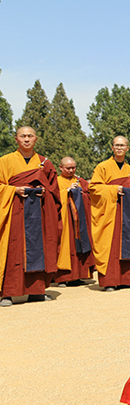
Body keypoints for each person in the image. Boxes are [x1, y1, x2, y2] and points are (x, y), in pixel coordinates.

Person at [0, 126, 61, 306]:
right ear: (16, 139)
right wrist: (13, 190)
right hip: (13, 213)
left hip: (38, 214)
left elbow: (54, 191)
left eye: (30, 136)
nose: (26, 139)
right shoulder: (5, 161)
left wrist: (45, 193)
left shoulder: (44, 163)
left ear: (36, 139)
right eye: (22, 136)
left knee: (39, 247)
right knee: (13, 250)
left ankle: (36, 291)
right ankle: (8, 293)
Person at [89, 136, 130, 291]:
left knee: (129, 243)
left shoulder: (129, 169)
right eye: (116, 145)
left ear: (127, 148)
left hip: (127, 213)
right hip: (110, 213)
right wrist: (113, 190)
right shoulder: (102, 167)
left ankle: (128, 279)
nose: (119, 148)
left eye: (122, 145)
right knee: (111, 245)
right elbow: (93, 188)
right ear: (112, 148)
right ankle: (110, 281)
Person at [53, 156, 96, 287]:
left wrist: (81, 192)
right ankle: (63, 277)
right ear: (61, 167)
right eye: (68, 168)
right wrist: (66, 191)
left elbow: (90, 194)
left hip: (80, 220)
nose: (71, 170)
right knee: (64, 246)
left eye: (73, 168)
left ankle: (78, 276)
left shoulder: (80, 181)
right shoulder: (56, 181)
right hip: (65, 220)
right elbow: (52, 198)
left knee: (80, 245)